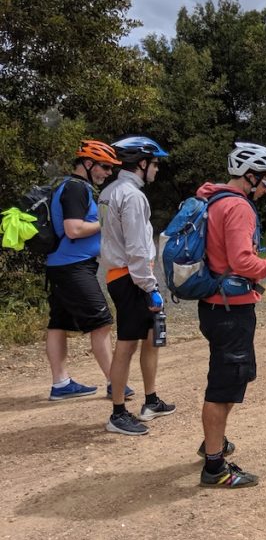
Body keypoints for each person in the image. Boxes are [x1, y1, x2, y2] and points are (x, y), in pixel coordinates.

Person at [197, 142, 266, 488]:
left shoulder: (213, 199)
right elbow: (243, 261)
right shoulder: (238, 207)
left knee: (232, 379)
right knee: (222, 386)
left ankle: (213, 443)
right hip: (230, 309)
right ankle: (214, 468)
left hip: (216, 304)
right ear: (250, 176)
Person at [98, 136, 175, 436]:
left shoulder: (110, 190)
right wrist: (149, 286)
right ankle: (118, 413)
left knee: (150, 336)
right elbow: (137, 248)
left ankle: (151, 401)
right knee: (127, 345)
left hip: (124, 276)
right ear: (141, 163)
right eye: (155, 163)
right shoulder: (132, 196)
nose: (157, 169)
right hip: (131, 278)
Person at [44, 140, 120, 401]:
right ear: (88, 164)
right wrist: (105, 221)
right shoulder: (76, 188)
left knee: (58, 323)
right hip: (72, 266)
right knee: (102, 323)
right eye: (105, 167)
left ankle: (60, 383)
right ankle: (115, 383)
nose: (108, 173)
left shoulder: (70, 186)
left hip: (61, 264)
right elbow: (73, 229)